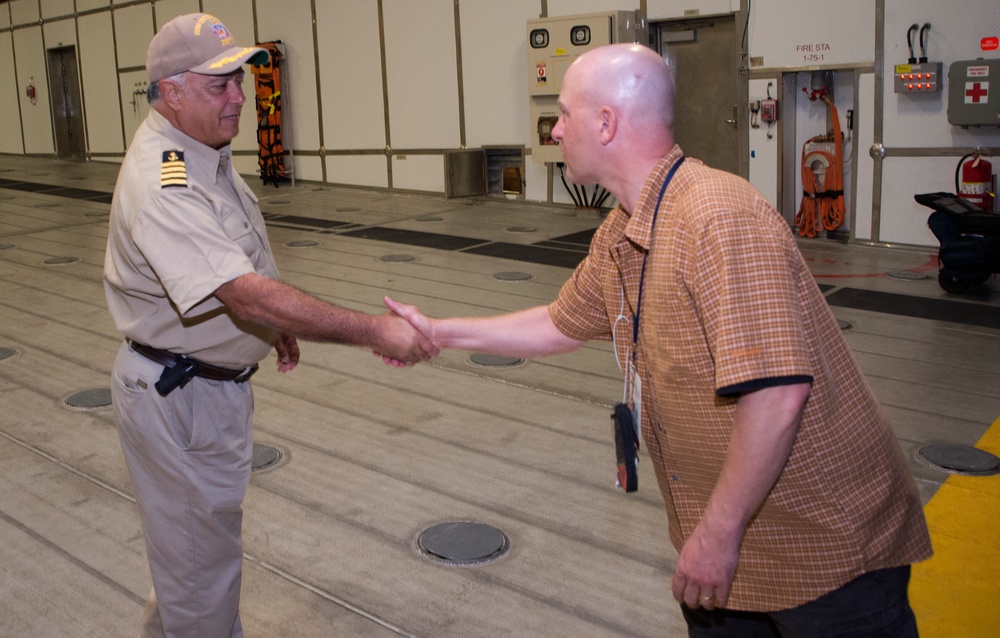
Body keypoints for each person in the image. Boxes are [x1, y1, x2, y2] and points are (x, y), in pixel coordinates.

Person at [385, 43, 932, 637]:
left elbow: (777, 395)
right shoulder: (624, 230)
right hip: (729, 550)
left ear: (605, 122)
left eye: (564, 114)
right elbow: (559, 322)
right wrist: (438, 331)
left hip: (821, 548)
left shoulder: (717, 216)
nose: (555, 128)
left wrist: (718, 535)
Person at [104, 13, 436, 637]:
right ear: (170, 91)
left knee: (194, 568)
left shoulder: (205, 152)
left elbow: (237, 265)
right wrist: (371, 331)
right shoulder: (164, 179)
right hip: (182, 400)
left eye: (240, 80)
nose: (239, 98)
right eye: (219, 84)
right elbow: (243, 292)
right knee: (200, 581)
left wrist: (263, 329)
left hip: (204, 386)